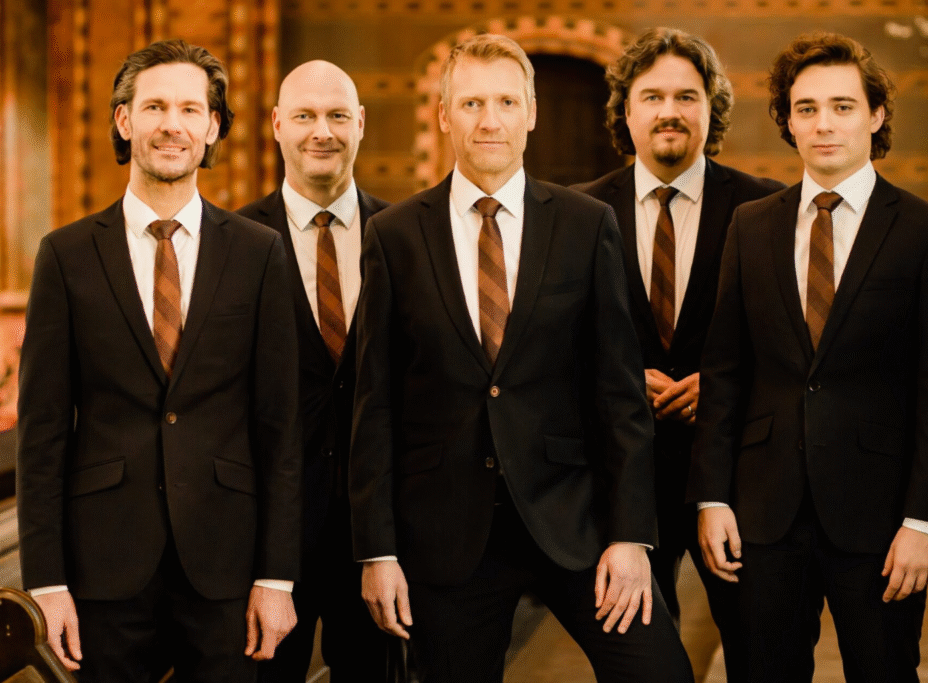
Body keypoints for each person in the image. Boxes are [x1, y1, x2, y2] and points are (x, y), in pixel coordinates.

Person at [349, 33, 693, 683]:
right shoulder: (394, 236)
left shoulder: (585, 224)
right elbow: (375, 404)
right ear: (444, 114)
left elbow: (619, 396)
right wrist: (378, 551)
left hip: (574, 519)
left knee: (660, 673)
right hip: (447, 534)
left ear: (531, 112)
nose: (490, 120)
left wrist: (630, 535)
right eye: (471, 103)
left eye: (506, 102)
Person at [688, 32, 928, 681]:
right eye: (807, 108)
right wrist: (711, 498)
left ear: (876, 115)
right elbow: (726, 373)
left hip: (880, 521)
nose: (824, 123)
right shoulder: (751, 226)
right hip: (763, 517)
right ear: (788, 121)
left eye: (843, 106)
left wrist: (925, 521)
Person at [17, 39, 301, 680]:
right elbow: (42, 433)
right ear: (124, 120)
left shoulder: (258, 253)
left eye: (190, 109)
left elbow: (280, 428)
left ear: (212, 127)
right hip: (102, 567)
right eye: (154, 107)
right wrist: (47, 583)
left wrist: (277, 576)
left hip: (227, 565)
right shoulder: (65, 256)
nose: (172, 124)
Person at [573, 28, 783, 680]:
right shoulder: (576, 214)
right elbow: (553, 347)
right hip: (624, 484)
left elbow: (791, 348)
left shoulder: (767, 208)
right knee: (642, 666)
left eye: (687, 96)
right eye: (653, 96)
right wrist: (616, 379)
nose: (670, 111)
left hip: (739, 478)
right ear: (626, 110)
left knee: (764, 657)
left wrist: (722, 384)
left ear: (711, 109)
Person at [237, 60, 401, 682]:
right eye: (304, 116)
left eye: (336, 116)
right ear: (277, 125)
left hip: (379, 539)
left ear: (360, 124)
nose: (321, 132)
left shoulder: (405, 237)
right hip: (267, 540)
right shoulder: (233, 243)